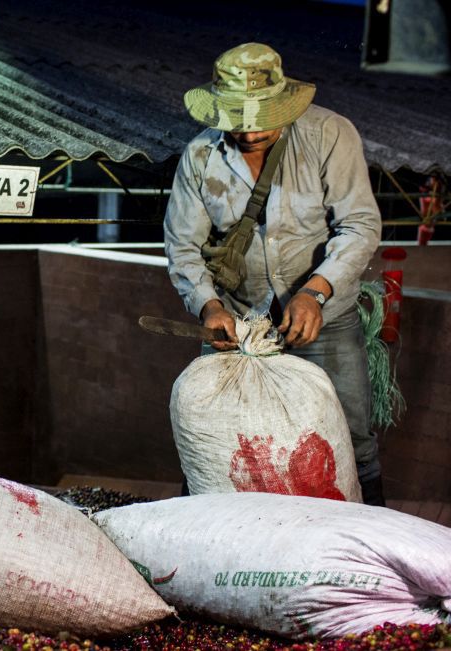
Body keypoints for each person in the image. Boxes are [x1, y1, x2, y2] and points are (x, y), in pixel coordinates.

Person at [163, 43, 385, 506]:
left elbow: (360, 225)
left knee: (352, 439)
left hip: (324, 317)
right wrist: (210, 306)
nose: (250, 133)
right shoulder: (201, 157)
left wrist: (316, 293)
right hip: (236, 320)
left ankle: (371, 550)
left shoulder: (330, 135)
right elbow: (183, 247)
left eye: (262, 118)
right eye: (238, 121)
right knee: (218, 437)